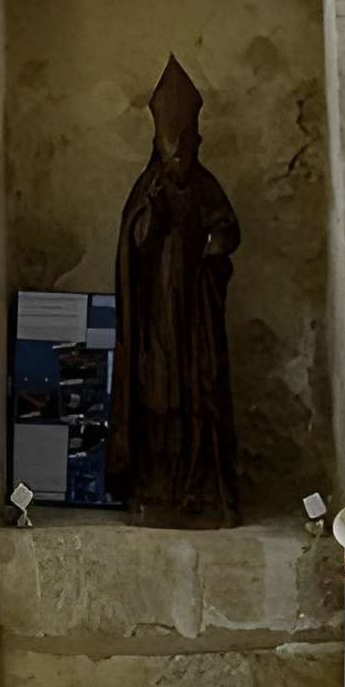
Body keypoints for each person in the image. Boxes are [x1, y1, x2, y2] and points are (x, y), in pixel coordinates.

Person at [106, 55, 240, 526]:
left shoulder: (206, 188)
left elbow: (229, 231)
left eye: (186, 149)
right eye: (172, 151)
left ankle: (201, 490)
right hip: (157, 319)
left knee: (200, 397)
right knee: (159, 401)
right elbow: (135, 242)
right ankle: (156, 486)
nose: (180, 159)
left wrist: (213, 244)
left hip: (196, 317)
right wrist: (156, 215)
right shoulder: (150, 189)